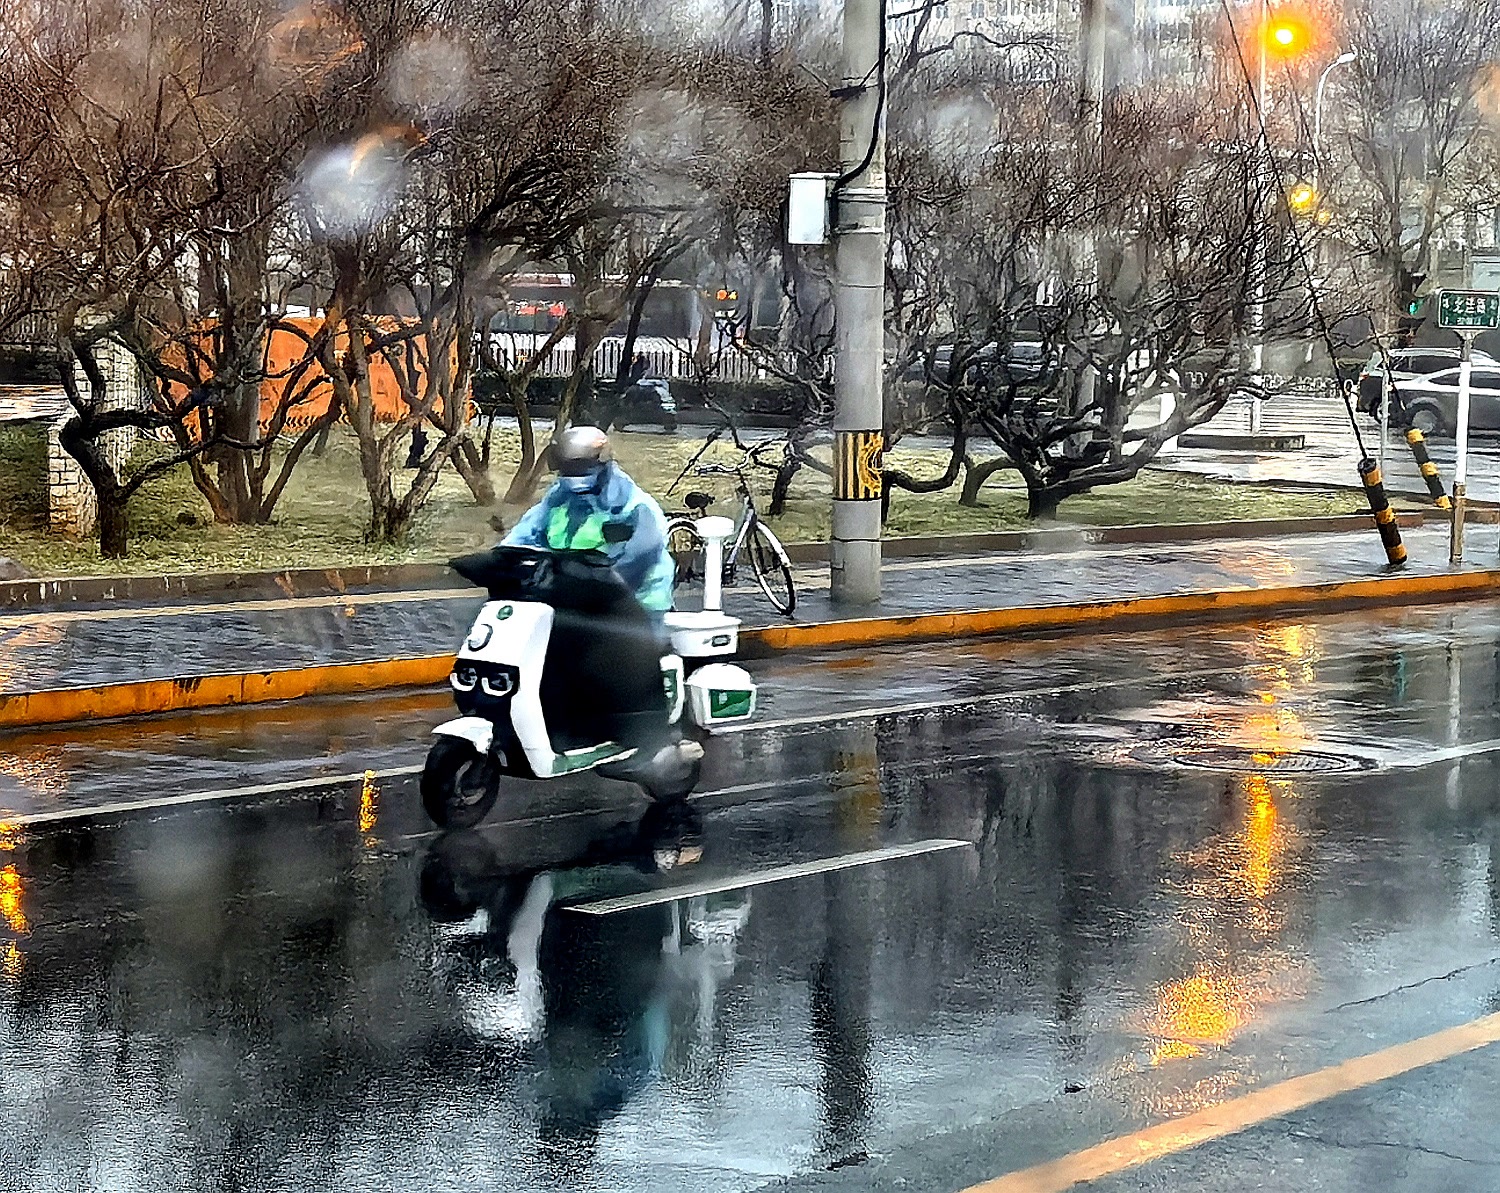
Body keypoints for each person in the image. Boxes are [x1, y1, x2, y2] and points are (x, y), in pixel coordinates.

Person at [503, 425, 674, 616]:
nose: (573, 477)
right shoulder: (558, 500)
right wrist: (501, 562)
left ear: (603, 466)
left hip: (637, 607)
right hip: (573, 603)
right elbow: (522, 537)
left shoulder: (633, 506)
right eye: (567, 470)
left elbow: (640, 557)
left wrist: (591, 588)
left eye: (581, 469)